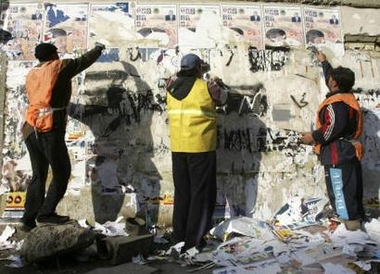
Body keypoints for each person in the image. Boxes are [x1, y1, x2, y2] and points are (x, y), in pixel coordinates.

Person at [20, 42, 105, 231]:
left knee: (39, 175)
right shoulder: (59, 67)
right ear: (52, 55)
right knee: (62, 172)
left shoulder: (33, 73)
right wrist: (98, 49)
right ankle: (46, 214)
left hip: (30, 128)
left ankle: (28, 220)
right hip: (47, 128)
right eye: (56, 53)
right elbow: (82, 62)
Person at [166, 54, 228, 254]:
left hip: (178, 147)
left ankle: (179, 237)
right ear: (198, 68)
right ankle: (194, 242)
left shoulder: (171, 87)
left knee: (183, 194)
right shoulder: (206, 86)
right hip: (201, 147)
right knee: (200, 196)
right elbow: (221, 101)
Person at [300, 51, 364, 231]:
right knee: (348, 188)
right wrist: (324, 62)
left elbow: (333, 127)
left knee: (340, 189)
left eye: (331, 78)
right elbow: (332, 78)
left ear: (334, 83)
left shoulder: (336, 104)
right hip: (346, 151)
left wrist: (313, 137)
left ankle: (350, 228)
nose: (329, 79)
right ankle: (352, 221)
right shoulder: (346, 95)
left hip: (338, 153)